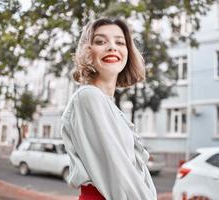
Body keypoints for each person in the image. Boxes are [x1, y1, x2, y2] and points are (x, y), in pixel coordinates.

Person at [61, 18, 157, 200]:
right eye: (100, 41)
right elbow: (120, 174)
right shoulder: (88, 97)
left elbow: (137, 173)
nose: (112, 47)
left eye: (120, 42)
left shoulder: (109, 107)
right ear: (87, 51)